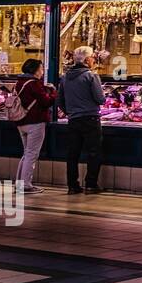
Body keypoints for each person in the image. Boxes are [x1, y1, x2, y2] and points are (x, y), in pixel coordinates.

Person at [56, 46, 106, 194]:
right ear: (86, 60)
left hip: (73, 120)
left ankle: (73, 185)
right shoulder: (91, 76)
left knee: (73, 153)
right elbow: (100, 98)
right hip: (90, 118)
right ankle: (91, 184)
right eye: (91, 57)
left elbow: (59, 100)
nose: (93, 60)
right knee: (94, 152)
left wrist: (70, 112)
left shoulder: (65, 77)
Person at [13, 59, 55, 194]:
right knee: (31, 154)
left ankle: (19, 183)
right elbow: (46, 102)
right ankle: (25, 185)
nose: (42, 71)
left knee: (26, 153)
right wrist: (53, 92)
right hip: (35, 122)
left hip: (21, 121)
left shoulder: (19, 82)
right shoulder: (34, 84)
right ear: (35, 70)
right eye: (41, 69)